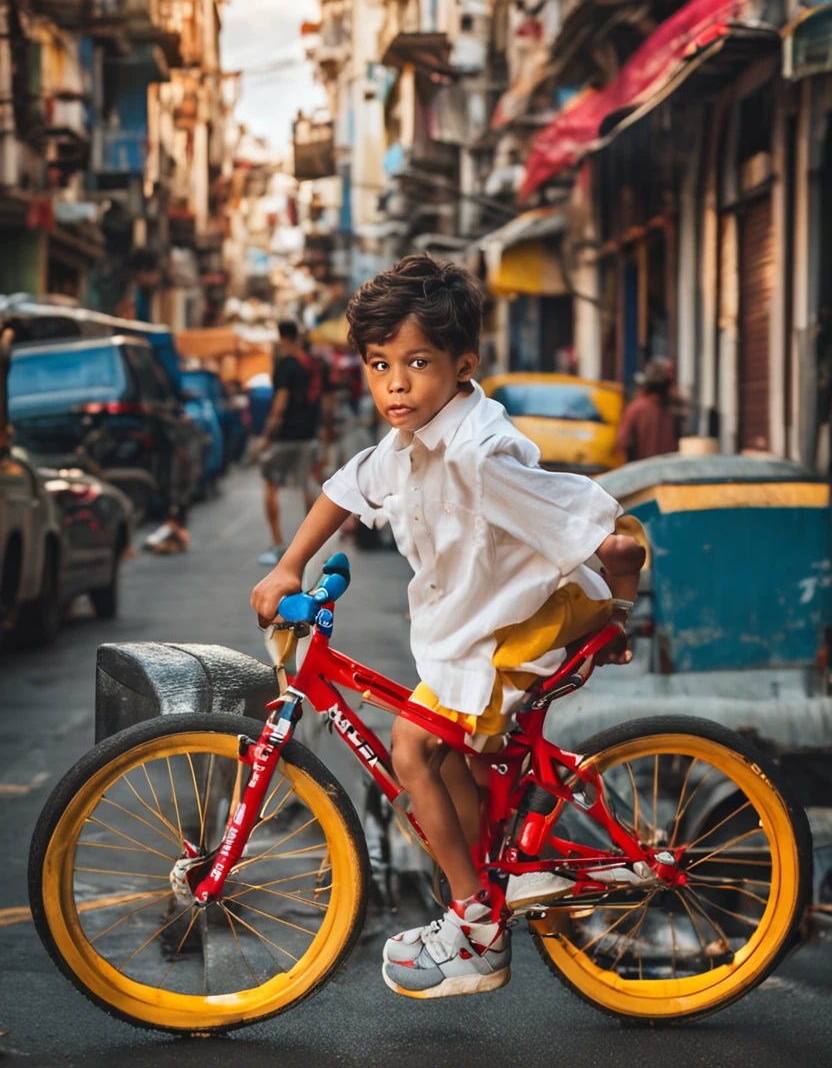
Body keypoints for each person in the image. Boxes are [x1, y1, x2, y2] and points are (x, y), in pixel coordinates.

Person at [251, 254, 645, 999]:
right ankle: (497, 876)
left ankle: (476, 924)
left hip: (513, 632)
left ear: (464, 364)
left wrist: (616, 577)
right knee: (457, 759)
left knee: (410, 742)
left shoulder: (476, 453)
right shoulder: (406, 447)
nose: (394, 383)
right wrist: (288, 566)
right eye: (378, 364)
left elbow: (575, 514)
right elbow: (344, 487)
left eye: (417, 362)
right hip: (470, 633)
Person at [256, 320, 324, 566]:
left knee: (270, 484)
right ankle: (310, 547)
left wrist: (267, 435)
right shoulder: (311, 363)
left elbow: (281, 401)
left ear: (282, 337)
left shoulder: (285, 363)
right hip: (308, 433)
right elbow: (323, 398)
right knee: (308, 485)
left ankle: (277, 545)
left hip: (286, 435)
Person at [616, 357, 679, 462]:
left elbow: (622, 443)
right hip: (662, 472)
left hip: (642, 473)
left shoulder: (636, 408)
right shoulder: (671, 410)